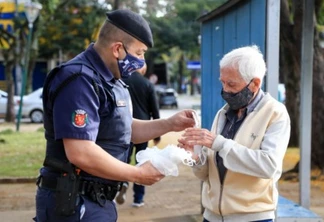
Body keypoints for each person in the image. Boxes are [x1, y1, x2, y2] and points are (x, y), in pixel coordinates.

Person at [34, 9, 195, 222]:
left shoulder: (112, 80)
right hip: (74, 202)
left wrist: (169, 123)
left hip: (99, 200)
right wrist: (137, 174)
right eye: (139, 53)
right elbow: (80, 152)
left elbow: (126, 130)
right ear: (118, 48)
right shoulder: (79, 80)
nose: (142, 60)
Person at [178, 45, 291, 222]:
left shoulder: (275, 113)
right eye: (222, 82)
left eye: (231, 84)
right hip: (212, 216)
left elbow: (269, 166)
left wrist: (219, 143)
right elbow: (205, 175)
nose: (225, 90)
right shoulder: (223, 114)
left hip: (253, 217)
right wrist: (196, 158)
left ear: (255, 84)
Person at [116, 63, 161, 207]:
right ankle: (138, 198)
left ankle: (120, 184)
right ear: (143, 69)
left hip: (124, 127)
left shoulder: (121, 82)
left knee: (123, 159)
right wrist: (157, 133)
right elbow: (155, 109)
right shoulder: (147, 84)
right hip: (144, 129)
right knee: (141, 161)